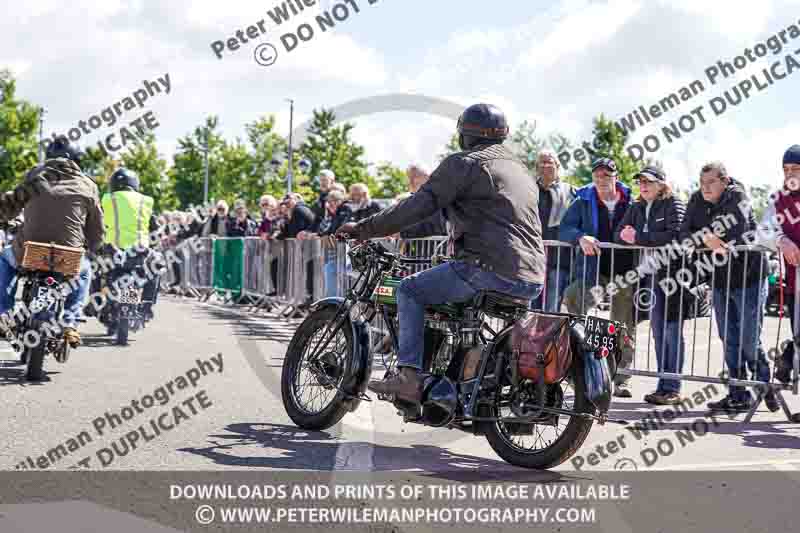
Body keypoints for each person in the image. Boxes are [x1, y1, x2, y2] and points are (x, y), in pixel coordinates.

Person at [337, 103, 545, 404]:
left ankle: (409, 378)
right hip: (532, 276)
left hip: (484, 267)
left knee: (409, 290)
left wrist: (363, 229)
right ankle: (456, 379)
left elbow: (418, 205)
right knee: (455, 306)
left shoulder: (464, 163)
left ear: (465, 134)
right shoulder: (521, 170)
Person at [681, 161, 777, 413]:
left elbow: (736, 233)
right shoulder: (696, 199)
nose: (705, 188)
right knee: (729, 338)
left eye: (711, 182)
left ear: (725, 180)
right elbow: (683, 232)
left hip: (750, 278)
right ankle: (738, 395)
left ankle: (765, 385)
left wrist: (707, 236)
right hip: (720, 279)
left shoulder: (738, 196)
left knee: (748, 338)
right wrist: (705, 237)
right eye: (702, 183)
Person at [0, 136, 103, 349]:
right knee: (84, 272)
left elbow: (11, 204)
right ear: (75, 159)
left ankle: (4, 313)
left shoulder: (34, 177)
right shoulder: (88, 185)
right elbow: (96, 228)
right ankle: (70, 322)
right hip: (68, 257)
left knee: (4, 259)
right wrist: (94, 247)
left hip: (30, 252)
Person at [559, 157, 636, 398]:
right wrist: (581, 237)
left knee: (622, 325)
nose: (602, 179)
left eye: (607, 175)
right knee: (573, 297)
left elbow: (646, 228)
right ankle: (578, 370)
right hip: (596, 273)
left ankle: (620, 378)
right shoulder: (583, 200)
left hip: (625, 274)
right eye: (598, 175)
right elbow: (565, 228)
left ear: (616, 176)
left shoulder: (632, 201)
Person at [615, 166, 686, 405]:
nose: (643, 185)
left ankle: (672, 387)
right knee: (658, 332)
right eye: (640, 182)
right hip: (649, 278)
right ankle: (662, 386)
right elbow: (619, 235)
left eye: (649, 181)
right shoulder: (636, 207)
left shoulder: (673, 203)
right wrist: (629, 237)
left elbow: (676, 236)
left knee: (671, 332)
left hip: (673, 276)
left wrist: (638, 237)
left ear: (662, 184)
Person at [756, 145, 800, 390]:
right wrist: (780, 240)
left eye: (796, 169)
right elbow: (762, 231)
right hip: (796, 285)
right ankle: (787, 360)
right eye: (786, 169)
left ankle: (786, 361)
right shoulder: (779, 198)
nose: (790, 174)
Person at [100, 167, 159, 321]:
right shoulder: (146, 201)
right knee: (156, 268)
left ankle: (99, 304)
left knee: (96, 272)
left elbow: (97, 223)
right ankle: (147, 305)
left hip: (112, 252)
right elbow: (154, 227)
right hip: (139, 252)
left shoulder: (107, 199)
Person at [531, 150, 576, 312]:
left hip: (559, 261)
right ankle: (531, 338)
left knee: (552, 308)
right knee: (530, 309)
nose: (545, 166)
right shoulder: (528, 190)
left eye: (550, 162)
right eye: (541, 162)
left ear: (558, 166)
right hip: (532, 260)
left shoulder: (571, 192)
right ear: (536, 168)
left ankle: (549, 337)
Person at [299, 189, 353, 297]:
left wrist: (321, 235)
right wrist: (319, 235)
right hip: (337, 247)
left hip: (346, 247)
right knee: (330, 269)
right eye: (328, 201)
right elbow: (330, 228)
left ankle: (338, 301)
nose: (328, 204)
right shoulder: (336, 211)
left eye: (331, 201)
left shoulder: (346, 208)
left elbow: (340, 227)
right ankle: (333, 301)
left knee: (341, 273)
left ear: (338, 200)